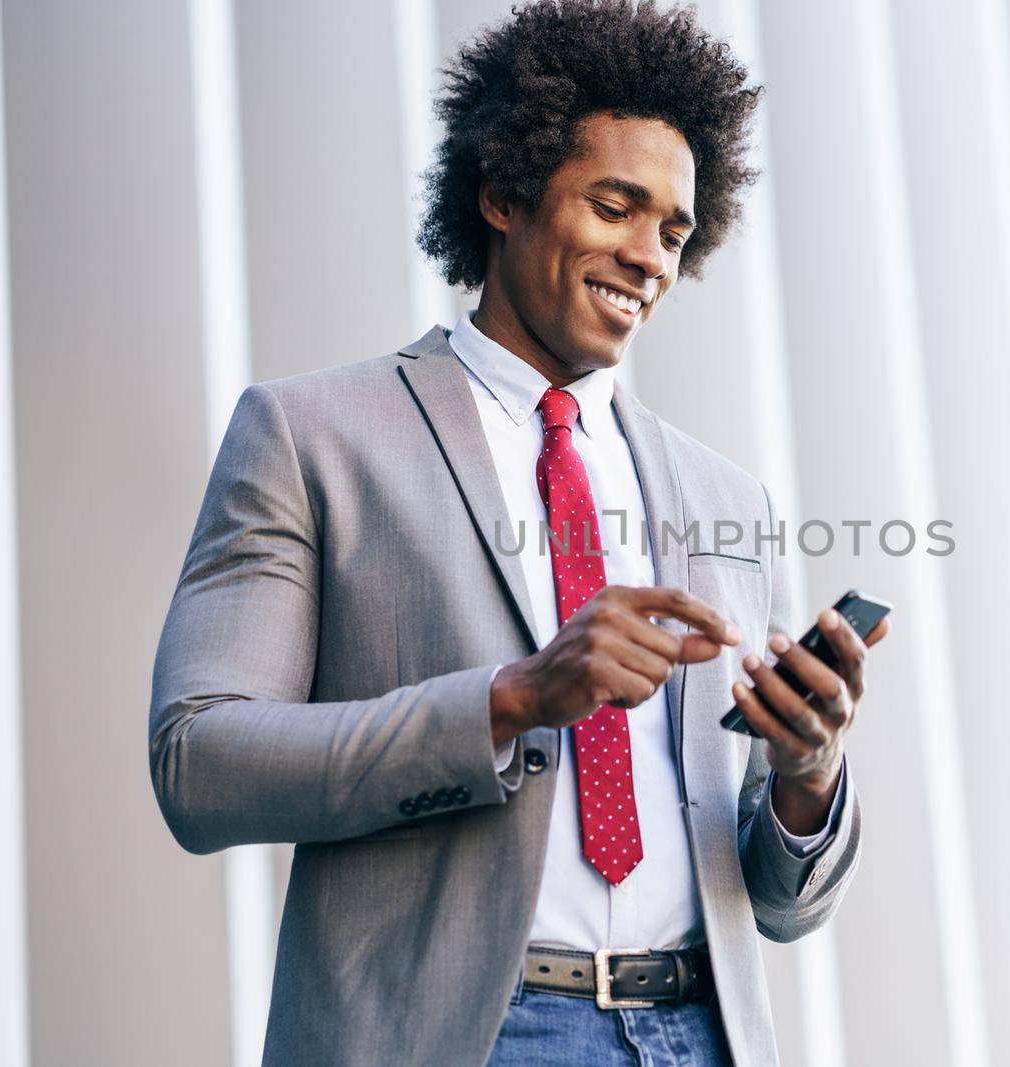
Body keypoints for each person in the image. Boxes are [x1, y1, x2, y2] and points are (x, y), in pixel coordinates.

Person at [149, 2, 888, 1063]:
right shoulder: (311, 437)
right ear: (501, 194)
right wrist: (511, 698)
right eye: (615, 206)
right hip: (462, 1035)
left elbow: (781, 904)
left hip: (697, 1033)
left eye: (674, 230)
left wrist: (809, 772)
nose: (649, 257)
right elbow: (200, 758)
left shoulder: (731, 501)